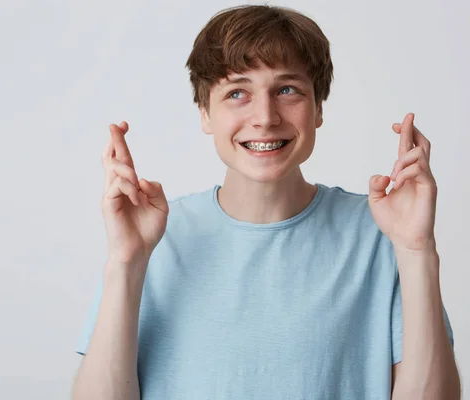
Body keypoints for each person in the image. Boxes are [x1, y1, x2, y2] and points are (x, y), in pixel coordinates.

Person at [71, 4, 460, 399]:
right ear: (205, 113)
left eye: (287, 89)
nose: (265, 117)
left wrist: (417, 251)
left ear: (318, 108)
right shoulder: (153, 238)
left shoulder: (383, 233)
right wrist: (126, 262)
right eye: (237, 92)